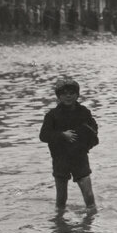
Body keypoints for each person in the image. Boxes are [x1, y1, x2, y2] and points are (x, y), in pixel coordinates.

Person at [39, 77, 99, 209]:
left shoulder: (84, 112)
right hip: (60, 158)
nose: (68, 96)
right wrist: (62, 135)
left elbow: (94, 133)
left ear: (77, 95)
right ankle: (60, 223)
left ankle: (89, 224)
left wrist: (85, 147)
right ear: (58, 96)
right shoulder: (52, 115)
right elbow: (43, 136)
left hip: (80, 157)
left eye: (72, 93)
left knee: (89, 196)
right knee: (61, 199)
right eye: (64, 94)